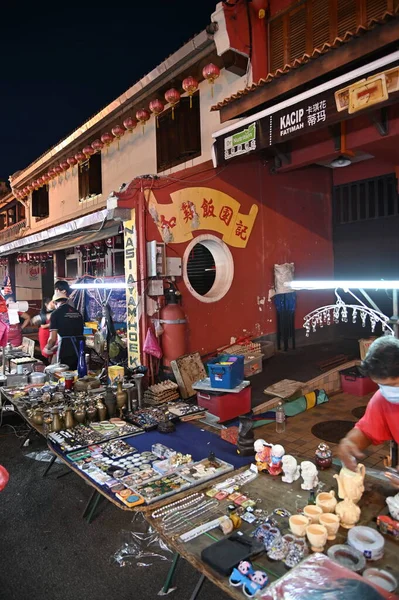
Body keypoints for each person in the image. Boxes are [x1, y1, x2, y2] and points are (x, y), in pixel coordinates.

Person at [338, 336, 399, 474]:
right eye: (381, 385)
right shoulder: (382, 400)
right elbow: (367, 431)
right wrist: (350, 442)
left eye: (393, 385)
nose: (388, 391)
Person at [44, 293, 84, 370]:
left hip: (66, 351)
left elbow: (52, 339)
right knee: (78, 372)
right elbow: (73, 333)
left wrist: (47, 348)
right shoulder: (78, 313)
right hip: (80, 348)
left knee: (66, 373)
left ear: (55, 303)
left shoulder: (55, 314)